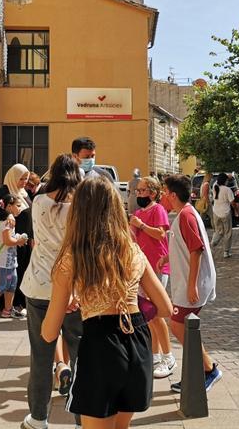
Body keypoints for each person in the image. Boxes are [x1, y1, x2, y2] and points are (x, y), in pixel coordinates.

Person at [42, 177, 172, 429]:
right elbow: (165, 308)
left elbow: (49, 333)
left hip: (100, 345)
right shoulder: (133, 251)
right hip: (138, 343)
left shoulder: (72, 258)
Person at [19, 154, 83, 429]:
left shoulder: (39, 201)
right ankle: (83, 416)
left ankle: (38, 416)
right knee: (81, 354)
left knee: (41, 354)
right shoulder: (80, 205)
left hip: (39, 283)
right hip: (72, 287)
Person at [162, 174, 222, 393]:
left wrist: (192, 284)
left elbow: (196, 250)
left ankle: (208, 370)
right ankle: (197, 373)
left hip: (192, 284)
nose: (163, 195)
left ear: (173, 194)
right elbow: (186, 245)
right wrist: (167, 257)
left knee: (178, 325)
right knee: (183, 326)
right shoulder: (184, 214)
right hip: (190, 282)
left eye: (165, 191)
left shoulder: (186, 215)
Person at [129, 176, 176, 379]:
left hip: (156, 267)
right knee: (148, 315)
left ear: (153, 193)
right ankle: (155, 357)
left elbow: (160, 235)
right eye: (137, 191)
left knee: (156, 314)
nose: (138, 194)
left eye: (142, 191)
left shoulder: (158, 210)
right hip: (141, 268)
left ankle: (168, 357)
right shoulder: (138, 213)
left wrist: (140, 226)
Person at [210, 173, 235, 259]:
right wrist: (236, 210)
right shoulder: (227, 190)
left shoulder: (215, 187)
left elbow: (217, 181)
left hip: (216, 212)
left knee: (218, 231)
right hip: (225, 213)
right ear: (225, 181)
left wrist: (224, 176)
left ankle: (213, 243)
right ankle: (226, 252)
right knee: (228, 232)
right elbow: (232, 202)